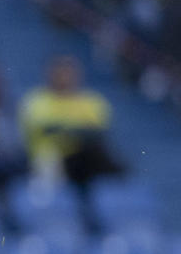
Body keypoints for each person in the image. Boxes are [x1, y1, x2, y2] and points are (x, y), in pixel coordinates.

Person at [18, 55, 122, 187]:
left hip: (84, 158)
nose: (64, 77)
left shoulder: (93, 101)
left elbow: (99, 133)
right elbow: (45, 128)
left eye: (68, 73)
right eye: (60, 73)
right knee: (48, 159)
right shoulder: (37, 100)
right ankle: (49, 204)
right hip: (52, 158)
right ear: (50, 74)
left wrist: (67, 130)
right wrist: (78, 130)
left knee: (109, 161)